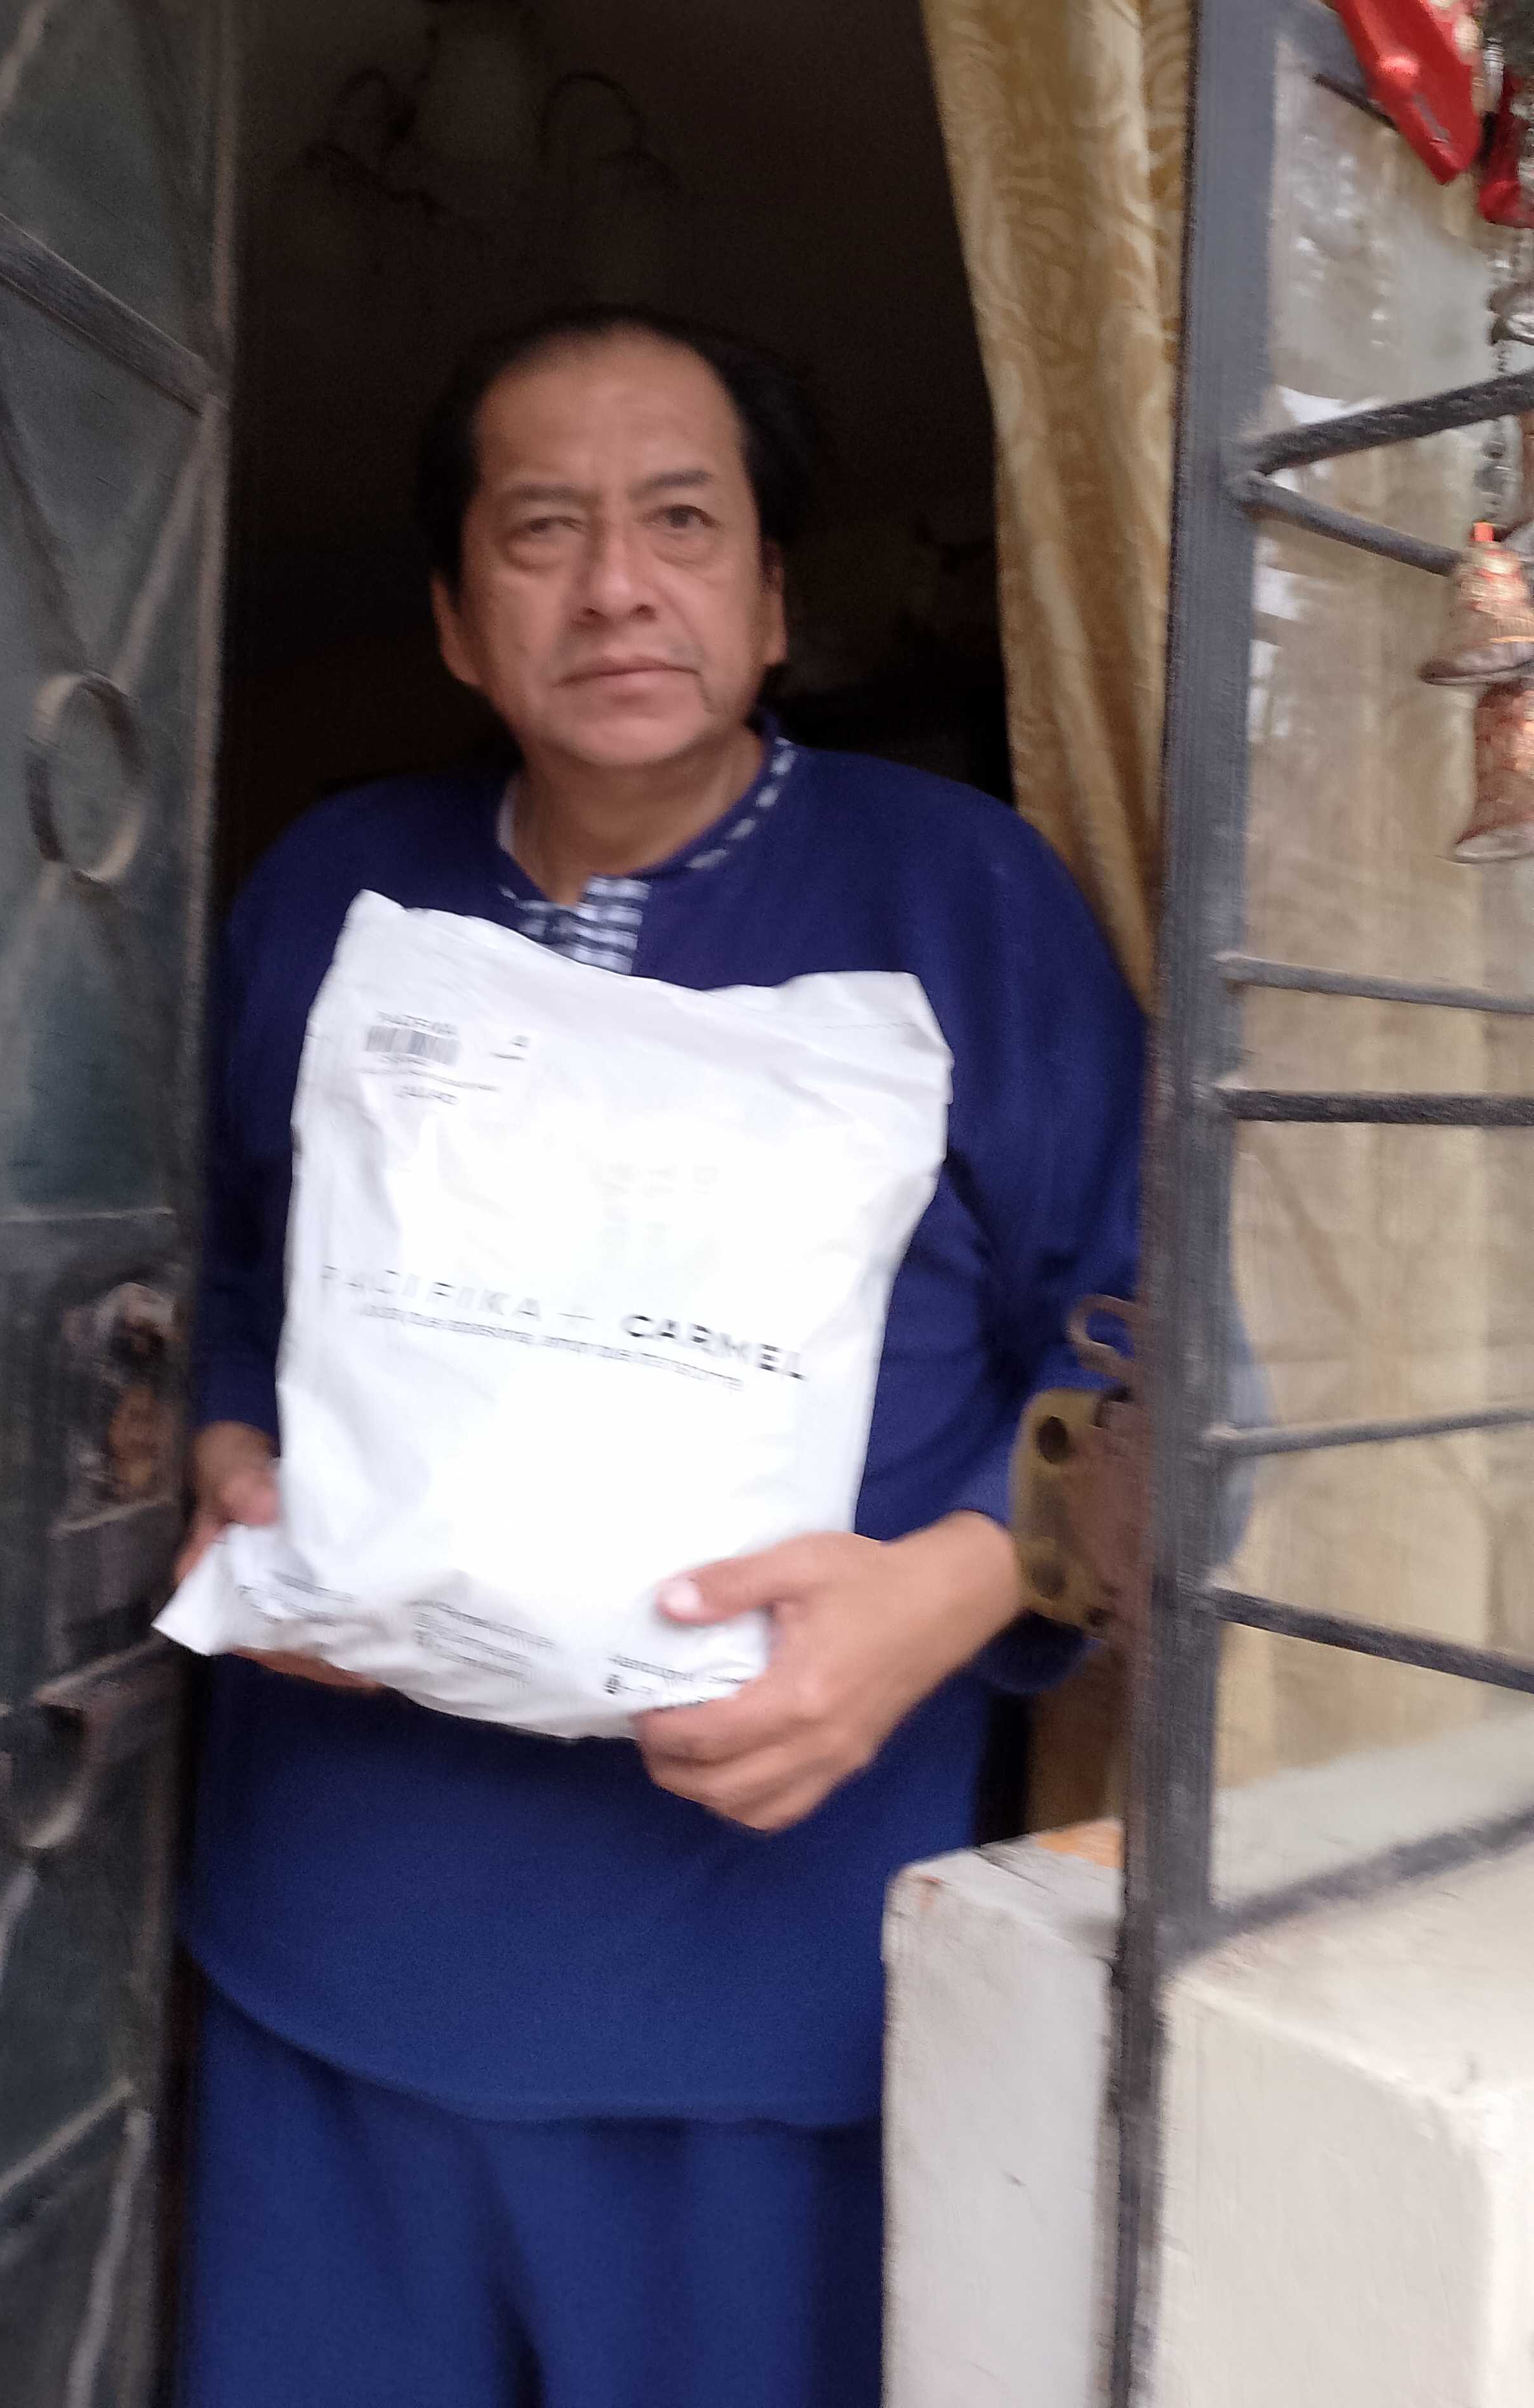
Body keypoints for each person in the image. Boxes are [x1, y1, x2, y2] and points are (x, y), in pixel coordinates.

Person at [174, 304, 1142, 2407]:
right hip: (333, 1939)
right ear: (457, 620)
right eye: (543, 530)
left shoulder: (961, 892)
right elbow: (231, 1265)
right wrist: (229, 1445)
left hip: (767, 1974)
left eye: (682, 521)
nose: (616, 583)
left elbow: (1151, 1321)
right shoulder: (335, 887)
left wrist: (964, 1582)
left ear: (773, 597)